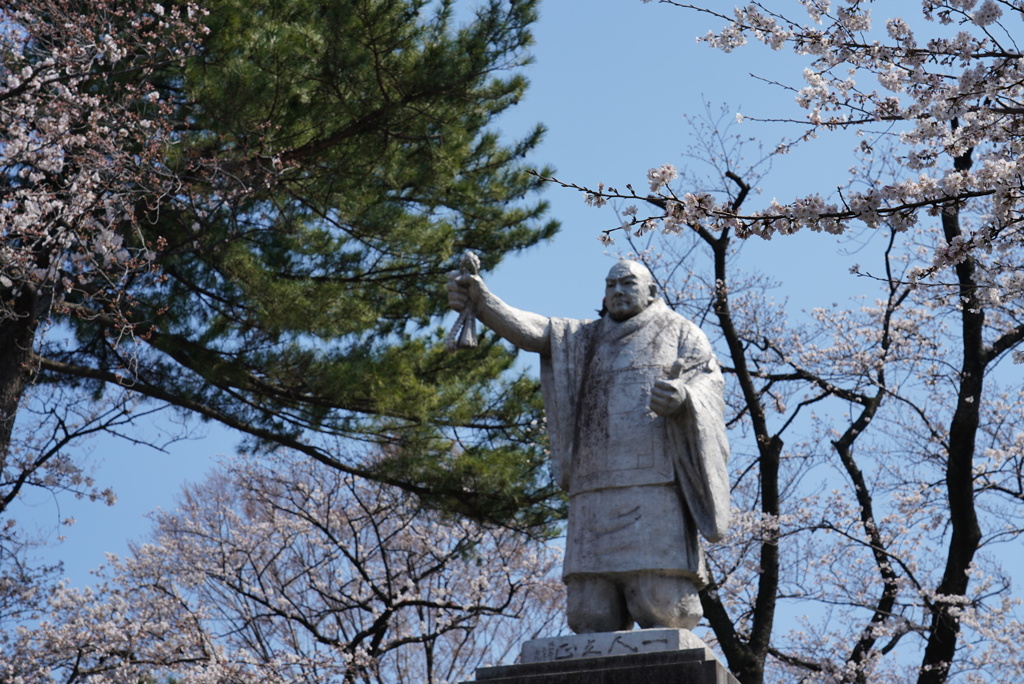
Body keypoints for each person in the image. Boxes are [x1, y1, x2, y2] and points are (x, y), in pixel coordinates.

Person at [447, 259, 729, 633]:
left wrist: (683, 399)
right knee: (589, 613)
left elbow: (709, 389)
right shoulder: (584, 338)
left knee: (663, 607)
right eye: (610, 284)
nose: (617, 291)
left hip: (655, 488)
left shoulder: (682, 333)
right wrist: (483, 302)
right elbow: (535, 332)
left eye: (628, 283)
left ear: (652, 292)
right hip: (593, 487)